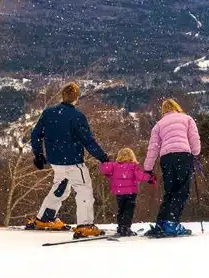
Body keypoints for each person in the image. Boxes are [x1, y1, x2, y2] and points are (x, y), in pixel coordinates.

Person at [28, 82, 110, 238]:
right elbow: (88, 141)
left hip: (55, 161)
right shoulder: (77, 116)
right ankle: (85, 225)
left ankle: (45, 218)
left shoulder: (49, 113)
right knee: (84, 191)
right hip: (73, 162)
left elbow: (36, 134)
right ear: (76, 98)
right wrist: (102, 157)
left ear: (62, 96)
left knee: (61, 187)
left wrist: (38, 154)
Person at [143, 98, 201, 237]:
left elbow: (153, 148)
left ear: (163, 111)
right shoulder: (187, 119)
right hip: (183, 155)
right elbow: (194, 139)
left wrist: (148, 168)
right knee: (182, 191)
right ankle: (172, 223)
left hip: (166, 159)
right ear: (177, 107)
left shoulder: (158, 125)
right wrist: (195, 152)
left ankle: (162, 222)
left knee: (170, 191)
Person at [100, 148, 154, 237]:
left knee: (121, 209)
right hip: (131, 193)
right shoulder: (133, 166)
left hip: (119, 193)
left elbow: (104, 169)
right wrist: (149, 177)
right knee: (129, 210)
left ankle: (121, 227)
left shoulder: (114, 166)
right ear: (132, 156)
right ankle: (126, 228)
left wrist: (105, 161)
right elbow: (140, 176)